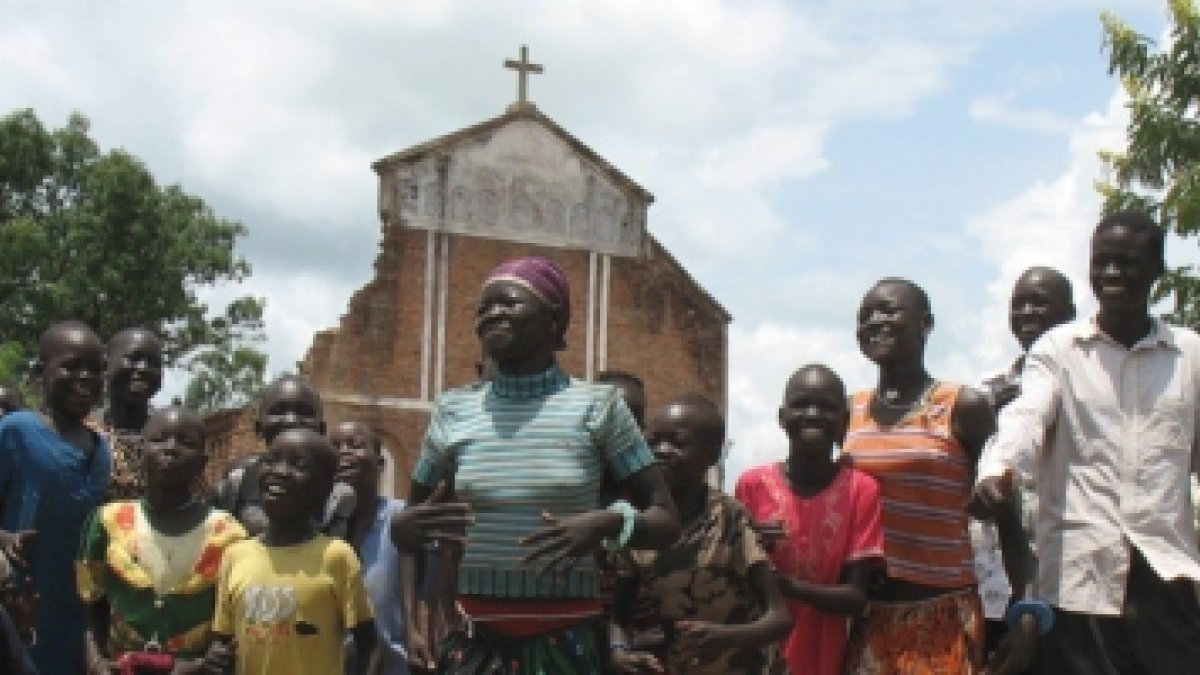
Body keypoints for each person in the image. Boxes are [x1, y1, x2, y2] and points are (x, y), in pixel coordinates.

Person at [391, 255, 679, 674]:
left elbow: (666, 519)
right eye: (483, 308)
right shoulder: (454, 411)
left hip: (566, 645)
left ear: (553, 320)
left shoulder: (599, 407)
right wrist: (403, 531)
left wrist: (608, 523)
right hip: (475, 645)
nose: (492, 314)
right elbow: (411, 520)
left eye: (507, 303)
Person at [973, 211, 1200, 674]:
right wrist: (998, 472)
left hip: (1166, 577)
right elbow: (1026, 416)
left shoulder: (1190, 355)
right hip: (1080, 582)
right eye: (1103, 263)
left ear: (1157, 270)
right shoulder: (1059, 351)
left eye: (1127, 263)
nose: (1112, 274)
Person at [840, 278, 1008, 674]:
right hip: (870, 616)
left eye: (890, 310)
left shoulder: (962, 406)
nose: (877, 321)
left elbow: (1005, 512)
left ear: (926, 324)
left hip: (943, 615)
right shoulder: (849, 411)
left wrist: (1026, 609)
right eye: (866, 315)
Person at [612, 393, 791, 674]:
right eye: (653, 441)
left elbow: (779, 618)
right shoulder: (638, 523)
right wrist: (619, 650)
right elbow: (619, 617)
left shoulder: (729, 518)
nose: (661, 450)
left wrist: (726, 637)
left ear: (713, 455)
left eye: (678, 443)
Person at [735, 364, 884, 675]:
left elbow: (856, 597)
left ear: (844, 420)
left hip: (828, 656)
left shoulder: (861, 490)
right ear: (781, 417)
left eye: (827, 407)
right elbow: (736, 577)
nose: (813, 414)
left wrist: (786, 585)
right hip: (759, 655)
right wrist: (749, 547)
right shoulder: (751, 485)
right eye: (801, 404)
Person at [78, 405, 247, 673]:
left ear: (203, 463)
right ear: (141, 453)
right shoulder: (108, 521)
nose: (171, 448)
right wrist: (96, 661)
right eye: (159, 440)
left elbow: (229, 620)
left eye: (186, 443)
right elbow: (89, 606)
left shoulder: (228, 533)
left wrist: (205, 661)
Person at [206, 427, 376, 675]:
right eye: (271, 460)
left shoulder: (336, 556)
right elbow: (222, 639)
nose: (279, 472)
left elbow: (369, 645)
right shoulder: (236, 556)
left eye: (299, 464)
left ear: (323, 489)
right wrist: (216, 656)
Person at [971, 267, 1073, 659]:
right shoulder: (988, 388)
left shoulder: (1088, 386)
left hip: (1064, 582)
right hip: (991, 582)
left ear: (1070, 312)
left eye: (1040, 302)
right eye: (1020, 304)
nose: (1028, 312)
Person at [0, 321, 112, 673]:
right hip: (19, 609)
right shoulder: (16, 431)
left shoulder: (102, 451)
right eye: (71, 366)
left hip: (76, 620)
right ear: (40, 372)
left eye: (95, 370)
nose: (86, 378)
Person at [327, 420, 417, 674]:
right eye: (335, 446)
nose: (343, 452)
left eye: (355, 445)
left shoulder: (401, 518)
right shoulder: (317, 526)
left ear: (380, 463)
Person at [212, 375, 325, 536]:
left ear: (322, 429)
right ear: (259, 428)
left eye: (304, 412)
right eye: (278, 411)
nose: (291, 420)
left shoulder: (336, 493)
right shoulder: (236, 485)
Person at [97, 326, 164, 502]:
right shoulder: (85, 433)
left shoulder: (172, 436)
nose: (143, 368)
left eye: (154, 363)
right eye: (133, 359)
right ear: (105, 367)